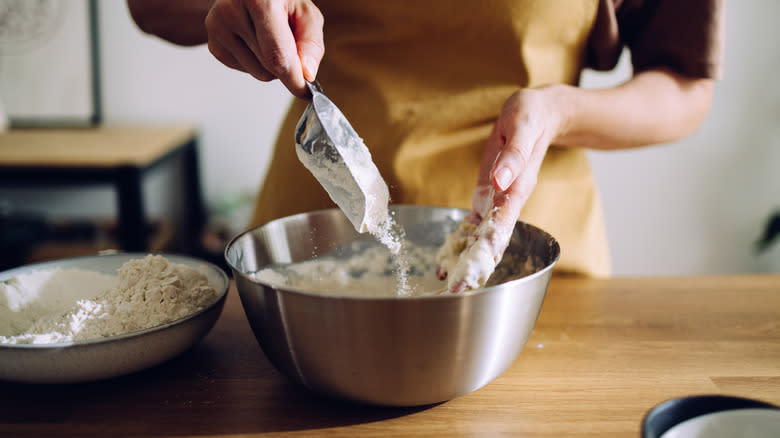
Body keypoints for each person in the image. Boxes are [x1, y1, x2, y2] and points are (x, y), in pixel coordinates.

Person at [127, 0, 724, 289]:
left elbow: (684, 85)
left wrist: (559, 111)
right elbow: (153, 8)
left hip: (527, 267)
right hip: (312, 254)